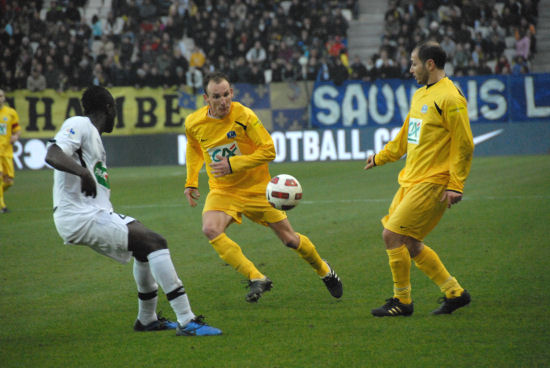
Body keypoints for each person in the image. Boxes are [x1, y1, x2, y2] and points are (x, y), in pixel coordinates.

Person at [45, 86, 221, 336]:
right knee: (155, 242)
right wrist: (82, 172)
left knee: (143, 248)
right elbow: (52, 153)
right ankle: (187, 320)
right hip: (79, 217)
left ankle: (147, 320)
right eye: (115, 109)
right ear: (109, 108)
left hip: (94, 213)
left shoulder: (93, 136)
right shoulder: (80, 124)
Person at [184, 72, 343, 303]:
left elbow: (269, 150)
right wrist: (191, 181)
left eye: (226, 94)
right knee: (210, 229)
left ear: (232, 93)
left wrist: (233, 163)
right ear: (206, 98)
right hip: (223, 190)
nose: (223, 101)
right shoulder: (194, 122)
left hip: (257, 189)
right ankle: (257, 277)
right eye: (216, 96)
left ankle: (324, 269)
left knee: (290, 239)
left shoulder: (245, 116)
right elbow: (193, 147)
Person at [364, 41, 474, 316]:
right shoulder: (420, 96)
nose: (410, 69)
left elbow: (464, 144)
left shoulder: (450, 97)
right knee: (410, 243)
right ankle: (455, 292)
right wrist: (380, 157)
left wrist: (455, 185)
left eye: (414, 63)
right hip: (411, 180)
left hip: (433, 182)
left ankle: (402, 301)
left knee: (391, 235)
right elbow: (406, 137)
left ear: (429, 64)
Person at [0, 89, 21, 213]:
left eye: (1, 96)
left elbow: (17, 129)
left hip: (7, 151)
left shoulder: (11, 113)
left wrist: (16, 136)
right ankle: (2, 206)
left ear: (4, 98)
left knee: (9, 182)